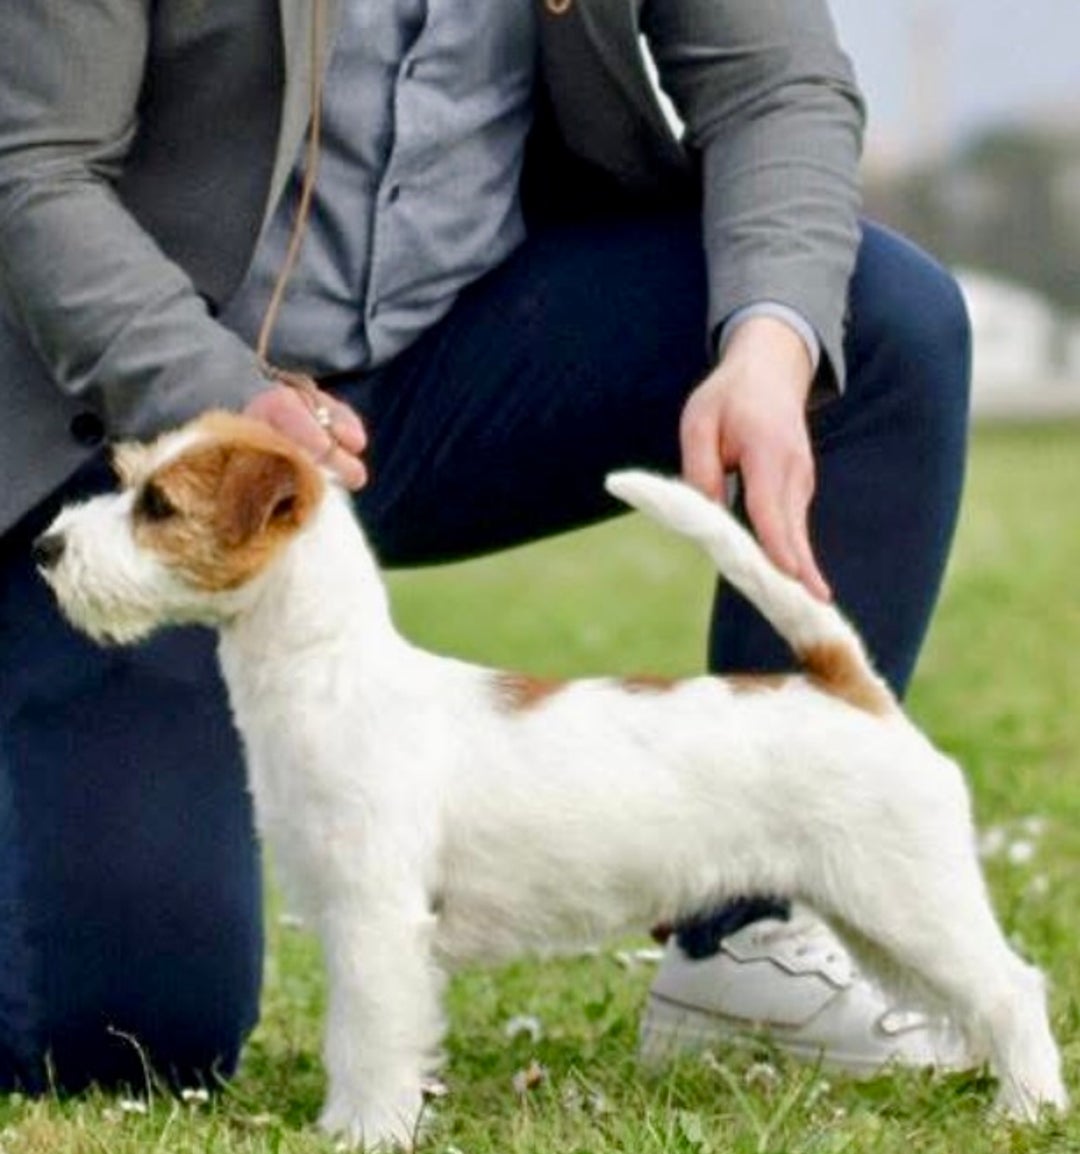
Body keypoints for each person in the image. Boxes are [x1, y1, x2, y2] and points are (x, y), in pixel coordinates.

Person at [0, 1, 972, 1095]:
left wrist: (768, 341)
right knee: (128, 1034)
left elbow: (777, 81)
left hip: (472, 346)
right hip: (150, 410)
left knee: (883, 323)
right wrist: (219, 402)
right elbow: (33, 165)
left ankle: (741, 932)